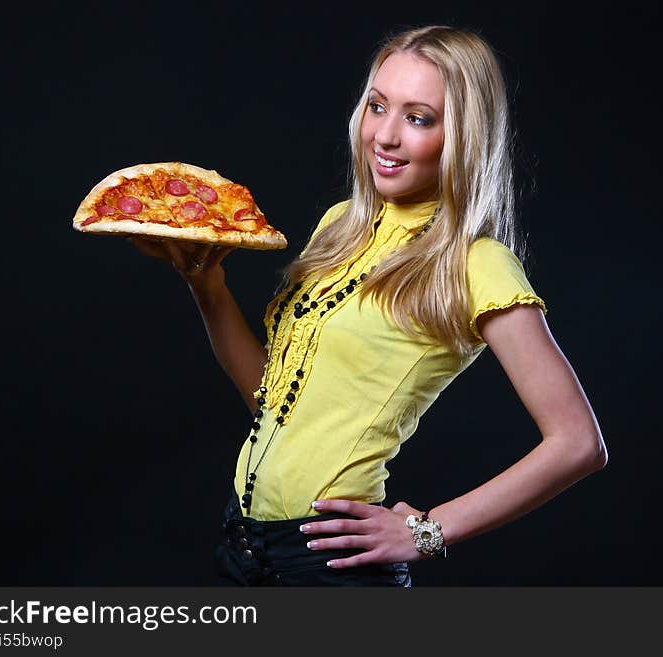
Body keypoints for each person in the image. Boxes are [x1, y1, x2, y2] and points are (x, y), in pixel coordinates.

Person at [130, 25, 607, 586]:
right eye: (377, 106)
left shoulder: (475, 264)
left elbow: (578, 443)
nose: (384, 135)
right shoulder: (340, 226)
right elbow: (272, 401)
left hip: (329, 567)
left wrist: (428, 531)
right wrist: (207, 287)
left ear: (463, 136)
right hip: (243, 547)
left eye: (418, 118)